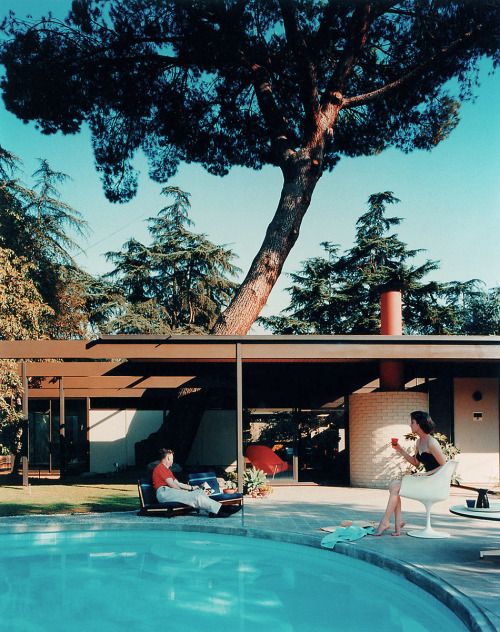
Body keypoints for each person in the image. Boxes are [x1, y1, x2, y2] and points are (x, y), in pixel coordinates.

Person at [373, 411, 446, 536]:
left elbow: (444, 466)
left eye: (412, 423)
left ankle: (385, 522)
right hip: (427, 479)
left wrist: (425, 475)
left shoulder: (431, 443)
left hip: (435, 483)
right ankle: (398, 521)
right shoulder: (419, 442)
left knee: (395, 486)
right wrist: (400, 450)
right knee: (393, 485)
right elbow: (416, 463)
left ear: (420, 424)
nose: (410, 425)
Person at [152, 448, 240, 518]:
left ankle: (214, 511)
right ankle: (222, 509)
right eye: (172, 459)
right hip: (164, 493)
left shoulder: (167, 471)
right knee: (196, 496)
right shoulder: (160, 468)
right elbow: (173, 485)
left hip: (170, 492)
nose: (172, 461)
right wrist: (184, 493)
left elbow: (178, 483)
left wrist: (192, 488)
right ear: (168, 458)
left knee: (200, 492)